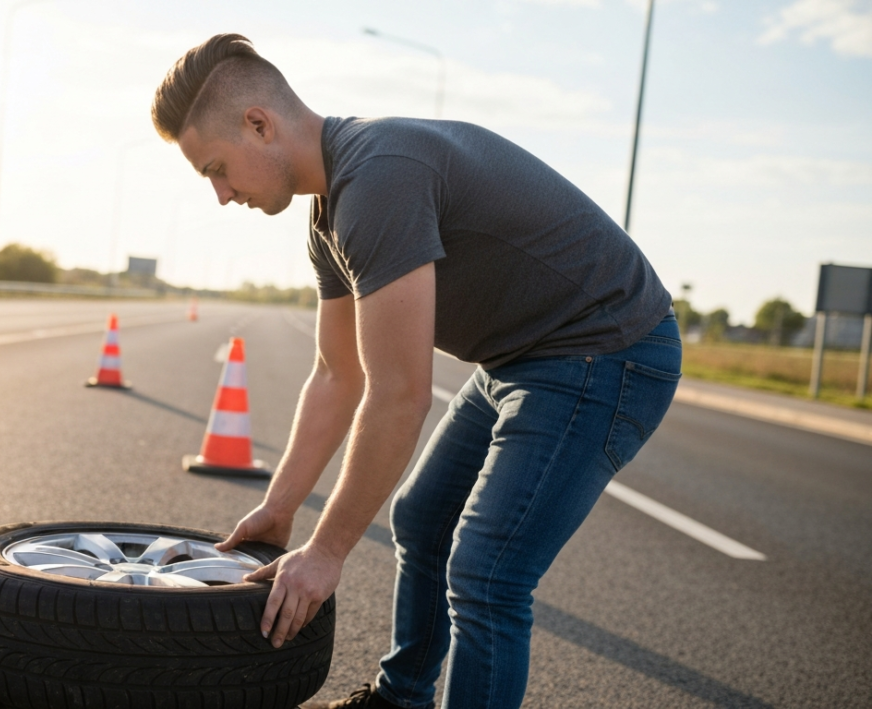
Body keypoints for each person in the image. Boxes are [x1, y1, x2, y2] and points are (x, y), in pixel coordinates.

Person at [151, 33, 680, 709]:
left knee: (487, 573)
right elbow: (336, 375)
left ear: (260, 124)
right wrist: (280, 508)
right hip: (522, 356)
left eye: (217, 169)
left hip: (607, 350)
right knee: (423, 518)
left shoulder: (379, 178)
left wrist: (326, 551)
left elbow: (399, 396)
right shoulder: (330, 214)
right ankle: (401, 699)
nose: (222, 195)